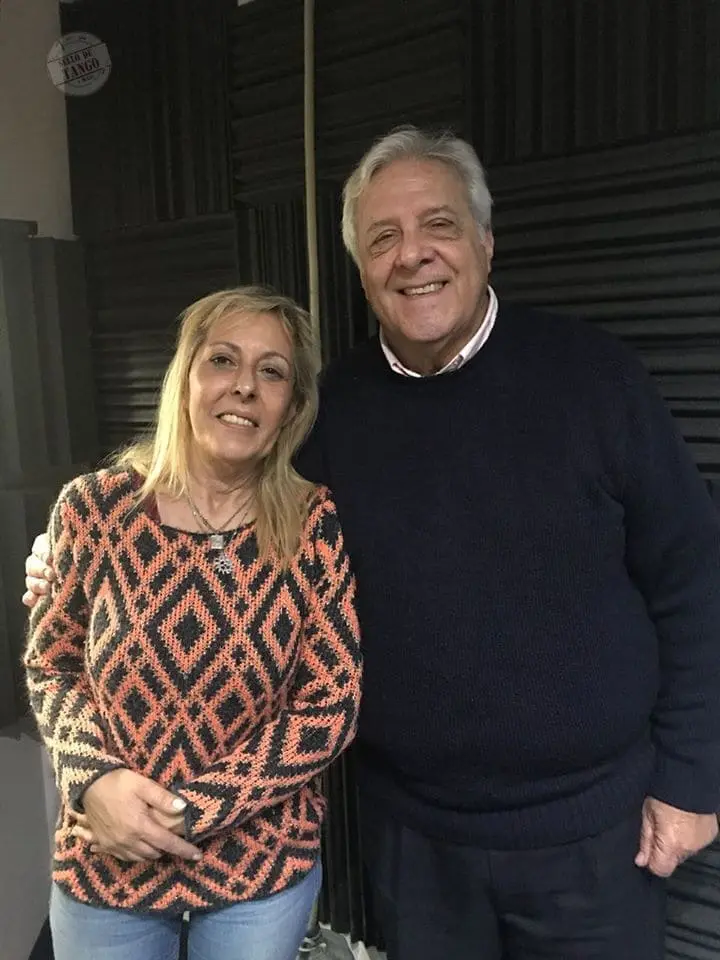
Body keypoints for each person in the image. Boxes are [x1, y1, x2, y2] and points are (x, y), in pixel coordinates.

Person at [24, 126, 720, 960]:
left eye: (439, 225)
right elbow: (215, 499)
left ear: (486, 241)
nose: (412, 255)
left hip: (594, 835)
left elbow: (693, 579)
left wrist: (692, 778)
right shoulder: (329, 415)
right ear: (361, 271)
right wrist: (60, 554)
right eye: (383, 237)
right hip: (412, 844)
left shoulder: (597, 379)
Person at [22, 286, 362, 960]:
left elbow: (332, 702)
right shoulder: (94, 510)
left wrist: (191, 810)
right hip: (107, 860)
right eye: (223, 360)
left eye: (272, 372)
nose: (245, 387)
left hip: (259, 873)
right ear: (185, 378)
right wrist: (93, 779)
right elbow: (51, 665)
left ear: (292, 407)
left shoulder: (311, 524)